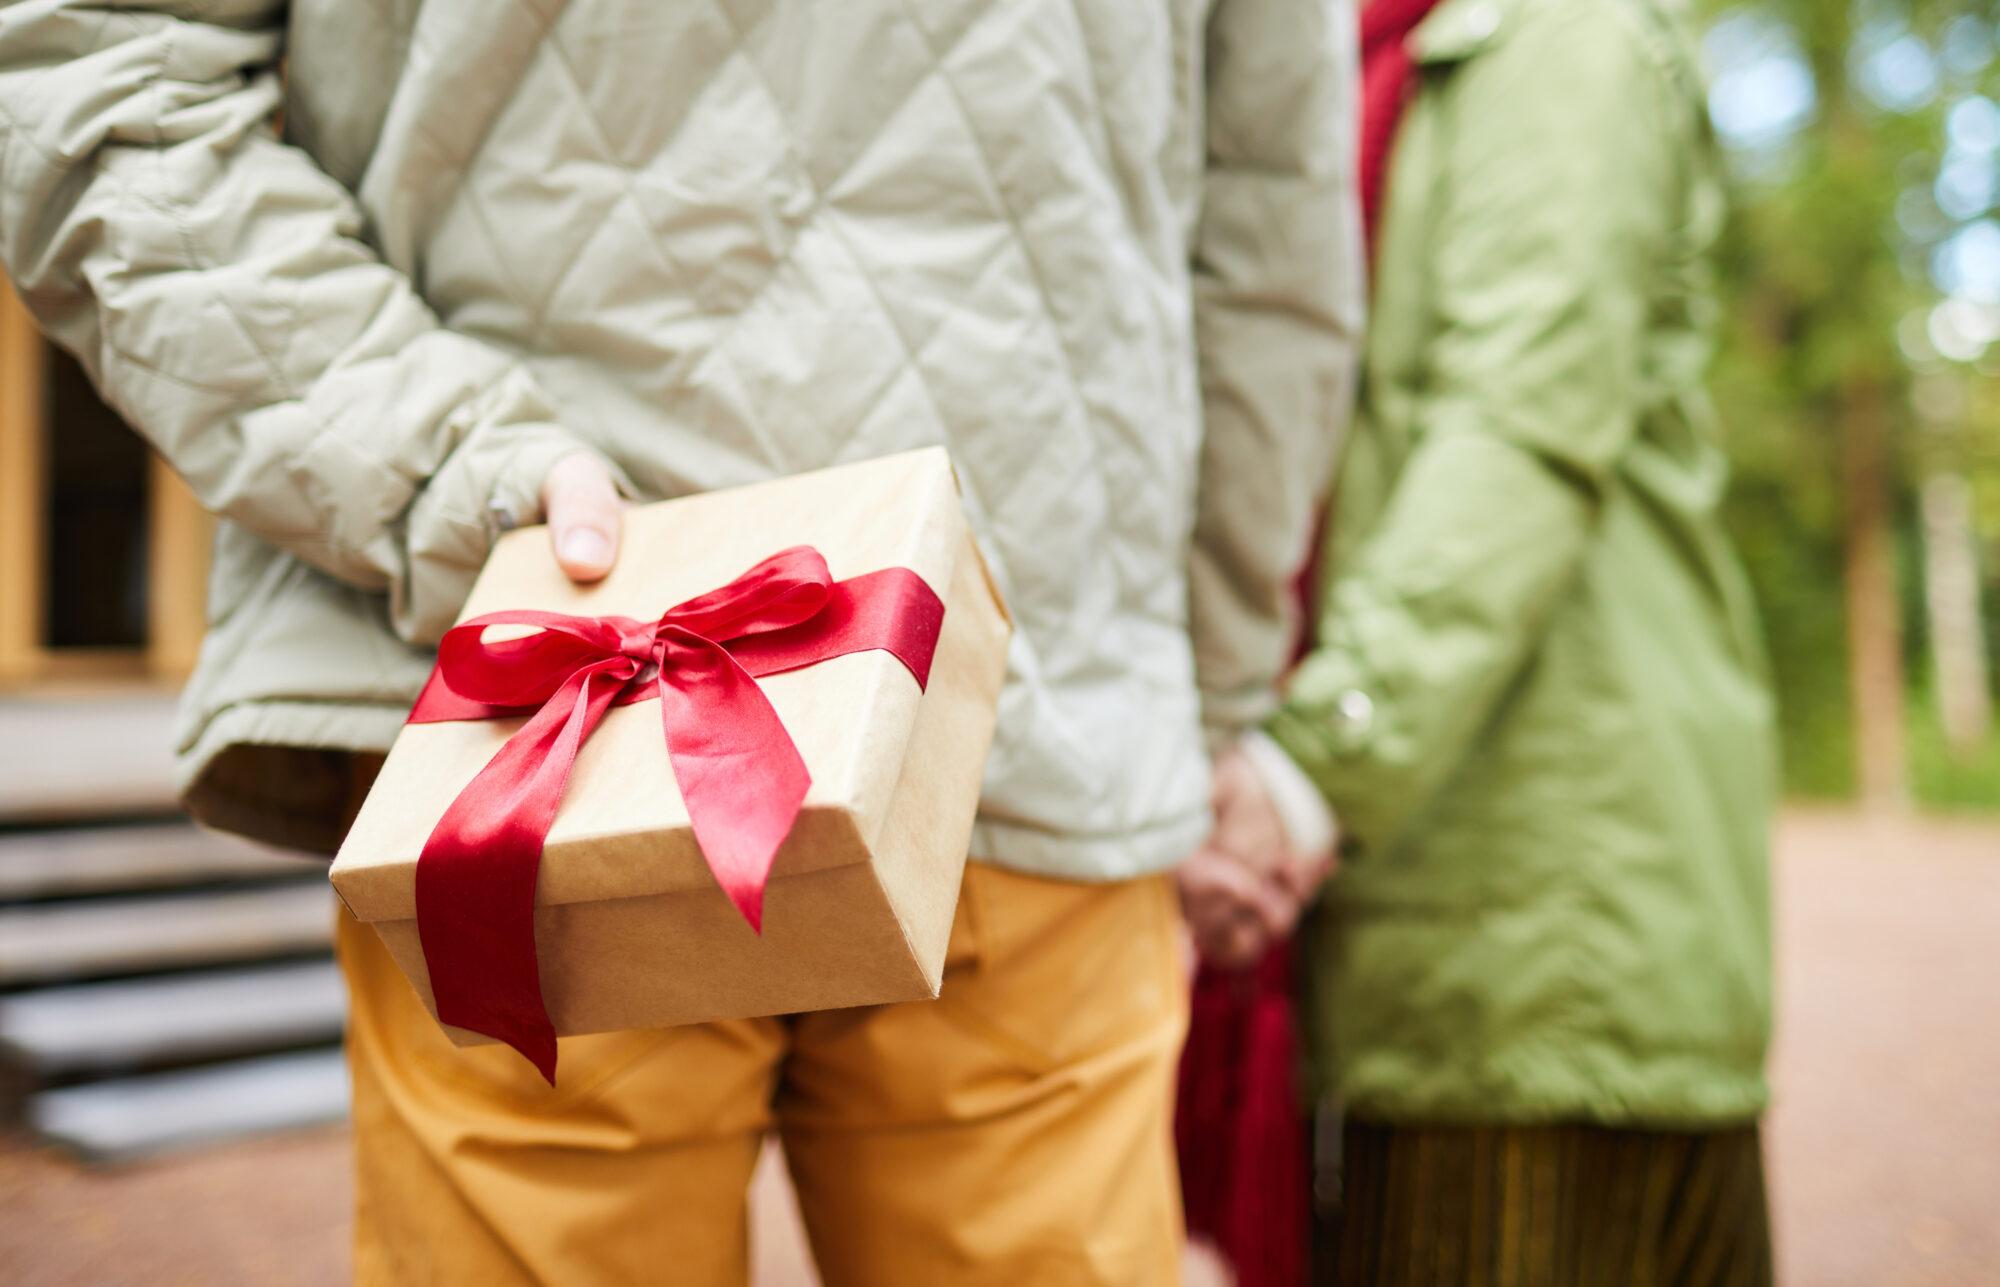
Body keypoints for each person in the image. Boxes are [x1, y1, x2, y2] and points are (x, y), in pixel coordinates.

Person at [0, 1, 1362, 1282]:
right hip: (975, 682)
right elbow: (1274, 231)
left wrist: (434, 461)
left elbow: (103, 75)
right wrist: (1214, 682)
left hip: (545, 710)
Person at [1182, 0, 1780, 1282]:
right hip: (1457, 906)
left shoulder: (1554, 36)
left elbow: (1521, 423)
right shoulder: (1364, 59)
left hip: (1544, 911)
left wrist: (1305, 769)